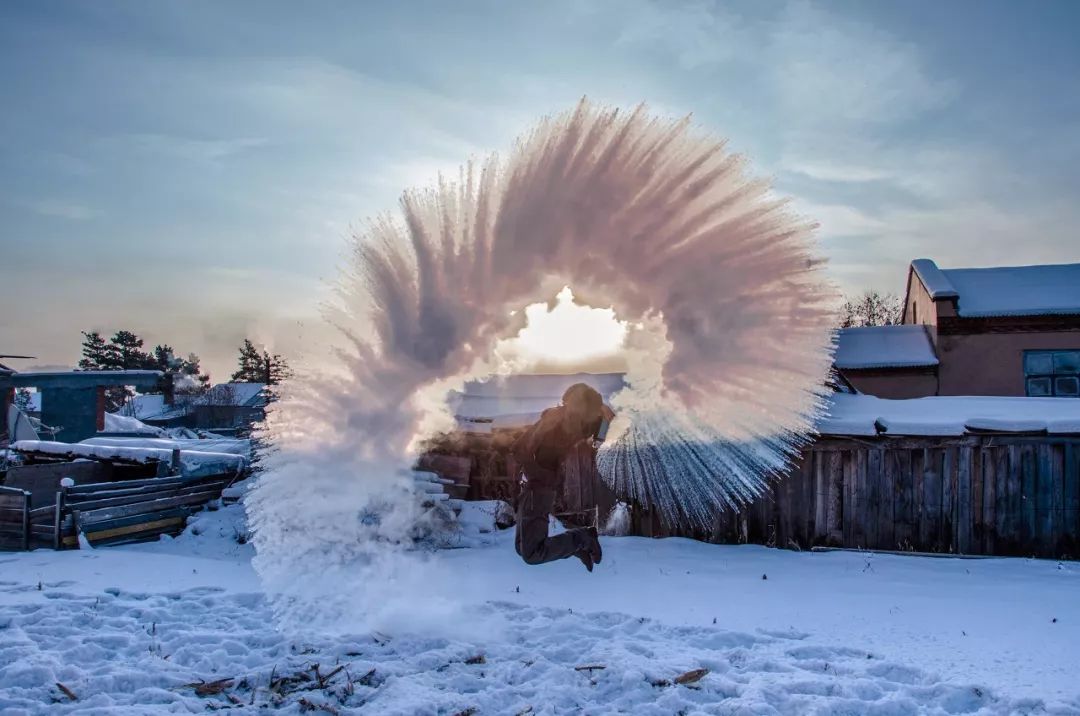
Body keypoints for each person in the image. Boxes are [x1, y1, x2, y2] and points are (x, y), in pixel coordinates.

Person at [511, 382, 613, 571]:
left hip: (538, 487)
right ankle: (577, 545)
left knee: (532, 553)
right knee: (522, 549)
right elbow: (524, 446)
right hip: (531, 486)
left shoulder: (570, 420)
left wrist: (602, 415)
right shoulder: (562, 417)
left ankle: (582, 539)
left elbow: (523, 447)